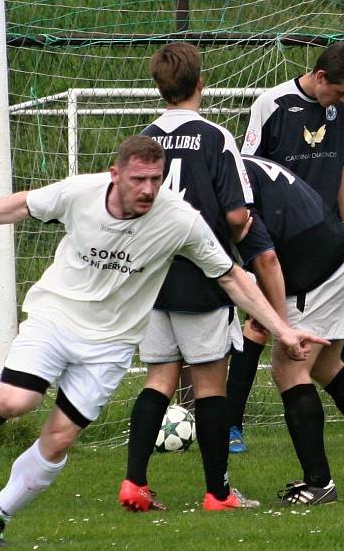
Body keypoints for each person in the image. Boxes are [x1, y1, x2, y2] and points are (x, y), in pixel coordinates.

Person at [0, 135, 327, 547]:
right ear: (115, 174)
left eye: (155, 180)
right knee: (13, 405)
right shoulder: (80, 193)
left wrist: (284, 331)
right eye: (138, 179)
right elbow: (22, 204)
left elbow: (232, 277)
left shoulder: (179, 220)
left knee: (60, 438)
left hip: (110, 346)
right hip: (57, 316)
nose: (147, 189)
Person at [226, 41, 344, 453]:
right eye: (340, 92)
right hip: (286, 240)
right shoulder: (271, 104)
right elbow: (247, 171)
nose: (342, 100)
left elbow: (339, 167)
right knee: (261, 327)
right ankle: (231, 425)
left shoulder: (337, 109)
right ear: (321, 77)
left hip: (330, 243)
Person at [119, 42, 258, 513]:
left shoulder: (143, 139)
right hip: (203, 278)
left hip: (152, 278)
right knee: (209, 387)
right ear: (201, 83)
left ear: (159, 87)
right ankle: (219, 493)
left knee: (158, 379)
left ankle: (134, 483)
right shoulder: (216, 137)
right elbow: (237, 215)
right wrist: (244, 229)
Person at [237, 154, 344, 504]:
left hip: (318, 268)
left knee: (289, 369)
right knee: (326, 366)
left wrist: (280, 324)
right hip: (342, 252)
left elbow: (267, 258)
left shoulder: (223, 179)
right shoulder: (239, 165)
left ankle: (318, 483)